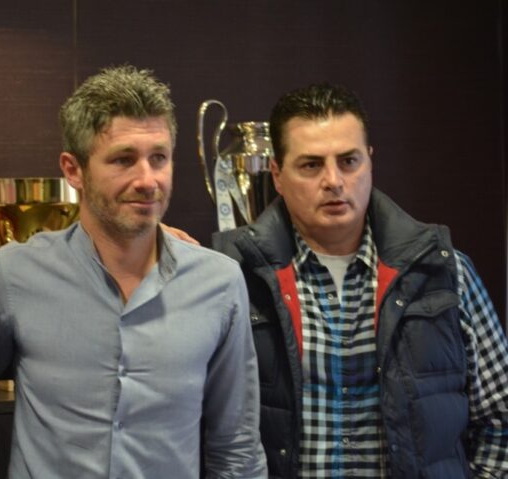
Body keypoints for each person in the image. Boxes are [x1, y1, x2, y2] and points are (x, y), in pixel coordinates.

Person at [0, 65, 267, 478]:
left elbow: (237, 448)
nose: (147, 180)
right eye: (124, 160)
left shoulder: (219, 282)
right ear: (73, 170)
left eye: (158, 158)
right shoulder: (13, 276)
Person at [213, 82, 508, 478]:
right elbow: (202, 424)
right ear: (277, 175)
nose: (334, 181)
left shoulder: (444, 271)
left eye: (349, 161)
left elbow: (500, 417)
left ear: (370, 161)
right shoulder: (233, 276)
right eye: (311, 165)